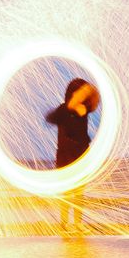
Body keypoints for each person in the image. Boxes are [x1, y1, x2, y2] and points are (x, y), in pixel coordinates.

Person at [45, 78, 100, 230]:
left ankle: (77, 223)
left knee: (79, 192)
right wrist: (67, 108)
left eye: (85, 94)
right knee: (67, 191)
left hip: (81, 155)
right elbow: (50, 118)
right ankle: (63, 223)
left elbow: (93, 100)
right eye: (81, 93)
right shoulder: (64, 109)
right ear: (73, 94)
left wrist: (88, 93)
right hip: (65, 155)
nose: (83, 96)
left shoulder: (84, 110)